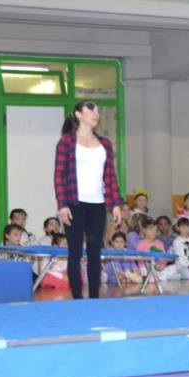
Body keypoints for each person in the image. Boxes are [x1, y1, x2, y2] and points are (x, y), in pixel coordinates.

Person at [54, 100, 123, 299]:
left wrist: (115, 204)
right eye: (91, 110)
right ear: (78, 114)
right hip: (74, 204)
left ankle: (94, 299)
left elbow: (110, 176)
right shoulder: (67, 141)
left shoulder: (105, 144)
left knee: (95, 253)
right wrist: (62, 205)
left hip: (98, 205)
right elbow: (59, 175)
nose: (96, 114)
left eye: (98, 111)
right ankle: (77, 299)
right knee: (75, 253)